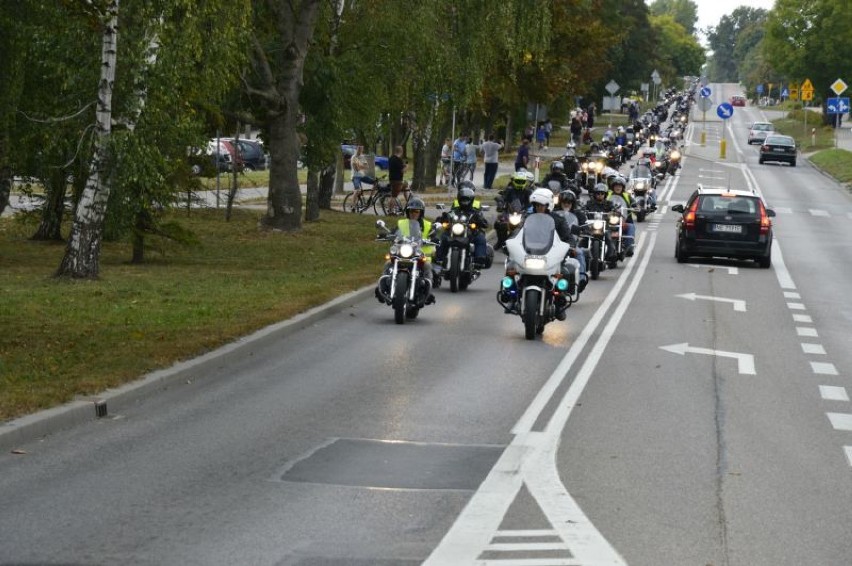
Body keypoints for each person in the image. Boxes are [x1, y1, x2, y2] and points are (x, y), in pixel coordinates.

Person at [527, 188, 580, 319]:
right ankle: (511, 296)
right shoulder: (527, 218)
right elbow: (517, 232)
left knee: (565, 272)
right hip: (529, 254)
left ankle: (559, 304)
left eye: (542, 205)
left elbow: (568, 237)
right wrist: (509, 241)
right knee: (512, 266)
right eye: (537, 205)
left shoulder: (558, 220)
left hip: (551, 255)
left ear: (548, 205)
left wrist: (571, 246)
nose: (539, 208)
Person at [376, 197, 436, 304]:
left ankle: (428, 293)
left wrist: (434, 239)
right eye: (411, 211)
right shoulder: (401, 223)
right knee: (388, 263)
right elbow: (394, 232)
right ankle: (381, 288)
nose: (413, 214)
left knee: (427, 266)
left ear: (421, 213)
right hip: (403, 252)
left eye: (416, 211)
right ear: (407, 212)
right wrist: (386, 235)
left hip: (419, 253)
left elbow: (433, 235)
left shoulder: (427, 225)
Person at [434, 184, 489, 271]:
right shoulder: (454, 211)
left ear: (471, 200)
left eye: (467, 199)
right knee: (443, 237)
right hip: (454, 233)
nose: (464, 202)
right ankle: (439, 258)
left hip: (470, 234)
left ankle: (480, 259)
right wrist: (443, 218)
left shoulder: (475, 213)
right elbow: (446, 217)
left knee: (481, 238)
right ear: (459, 199)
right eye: (463, 199)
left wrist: (480, 221)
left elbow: (485, 223)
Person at [553, 190, 588, 292]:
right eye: (564, 202)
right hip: (554, 243)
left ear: (573, 204)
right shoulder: (554, 214)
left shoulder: (578, 214)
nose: (566, 204)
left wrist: (583, 230)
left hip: (570, 242)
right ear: (560, 202)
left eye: (569, 202)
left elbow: (584, 226)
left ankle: (581, 279)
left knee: (579, 252)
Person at [583, 182, 617, 260]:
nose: (600, 195)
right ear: (594, 194)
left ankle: (612, 253)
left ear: (605, 195)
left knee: (608, 236)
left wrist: (613, 211)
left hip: (604, 226)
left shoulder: (609, 203)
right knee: (584, 237)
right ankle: (582, 253)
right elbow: (584, 209)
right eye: (598, 193)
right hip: (591, 225)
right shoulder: (589, 203)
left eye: (602, 193)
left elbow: (614, 210)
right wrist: (583, 210)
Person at [607, 175, 636, 256]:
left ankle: (628, 247)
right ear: (613, 187)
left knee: (631, 227)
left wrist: (635, 206)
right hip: (610, 219)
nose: (618, 188)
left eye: (619, 186)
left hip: (624, 219)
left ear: (622, 187)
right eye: (616, 186)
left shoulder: (627, 195)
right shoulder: (607, 194)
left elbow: (634, 203)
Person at [388, 145, 409, 215]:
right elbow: (403, 171)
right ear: (401, 151)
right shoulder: (398, 159)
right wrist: (406, 167)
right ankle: (390, 211)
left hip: (392, 179)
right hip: (397, 181)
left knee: (406, 185)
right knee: (393, 196)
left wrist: (403, 165)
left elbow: (396, 167)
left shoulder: (391, 158)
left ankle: (408, 202)